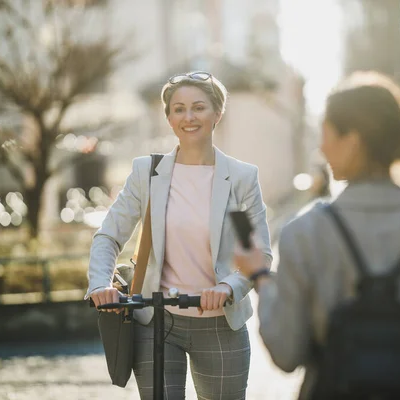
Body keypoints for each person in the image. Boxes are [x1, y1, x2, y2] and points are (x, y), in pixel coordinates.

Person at [234, 71, 400, 399]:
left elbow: (286, 353)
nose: (321, 148)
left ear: (352, 141)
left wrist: (260, 276)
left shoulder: (305, 232)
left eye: (326, 134)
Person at [87, 71, 272, 399]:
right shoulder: (147, 172)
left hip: (220, 324)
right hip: (157, 320)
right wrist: (100, 284)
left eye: (199, 107)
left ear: (217, 113)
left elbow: (260, 253)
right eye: (179, 109)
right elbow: (109, 236)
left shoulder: (242, 178)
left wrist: (228, 286)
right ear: (169, 117)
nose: (189, 117)